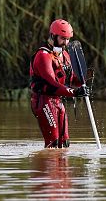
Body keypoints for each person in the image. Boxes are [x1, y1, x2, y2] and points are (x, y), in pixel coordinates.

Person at [29, 19, 88, 148]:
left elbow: (71, 80)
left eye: (68, 39)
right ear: (53, 36)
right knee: (53, 142)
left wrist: (85, 79)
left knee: (64, 143)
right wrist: (74, 92)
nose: (66, 43)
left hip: (58, 101)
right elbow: (52, 84)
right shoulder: (43, 56)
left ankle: (63, 168)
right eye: (62, 39)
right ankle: (49, 167)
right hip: (43, 100)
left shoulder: (65, 55)